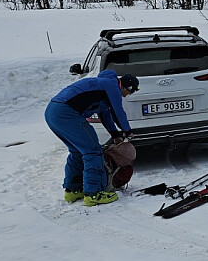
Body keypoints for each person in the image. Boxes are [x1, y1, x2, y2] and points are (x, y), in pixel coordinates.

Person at [45, 70, 139, 206]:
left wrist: (116, 135)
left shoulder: (103, 87)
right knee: (93, 151)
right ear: (125, 86)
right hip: (67, 114)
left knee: (77, 151)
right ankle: (93, 194)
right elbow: (117, 111)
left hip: (53, 112)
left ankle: (73, 190)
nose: (126, 96)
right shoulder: (112, 86)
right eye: (129, 92)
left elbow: (106, 114)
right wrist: (127, 131)